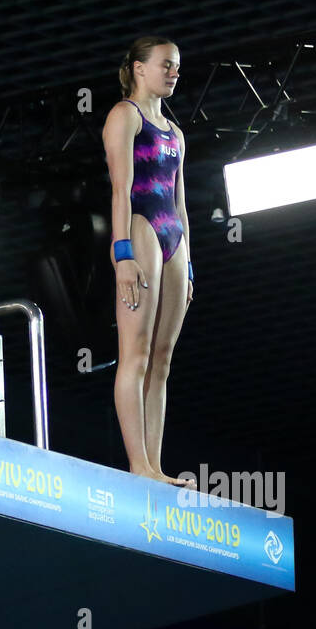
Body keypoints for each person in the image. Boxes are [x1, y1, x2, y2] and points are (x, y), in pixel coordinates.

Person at [102, 36, 196, 485]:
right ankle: (138, 466)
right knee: (135, 354)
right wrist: (122, 254)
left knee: (162, 358)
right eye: (166, 65)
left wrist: (189, 264)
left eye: (177, 66)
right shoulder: (125, 116)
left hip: (174, 237)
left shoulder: (176, 133)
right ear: (139, 69)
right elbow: (120, 190)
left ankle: (156, 466)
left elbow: (180, 205)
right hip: (140, 228)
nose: (174, 72)